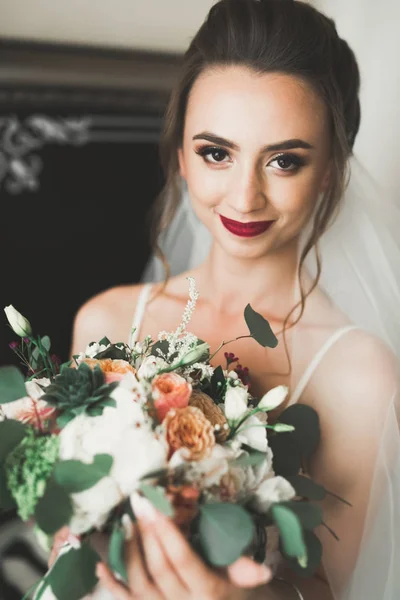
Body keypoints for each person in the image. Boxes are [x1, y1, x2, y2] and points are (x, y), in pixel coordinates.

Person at [68, 1, 400, 599]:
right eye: (216, 152)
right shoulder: (105, 320)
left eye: (284, 161)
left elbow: (332, 588)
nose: (244, 197)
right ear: (181, 158)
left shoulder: (360, 374)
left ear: (330, 171)